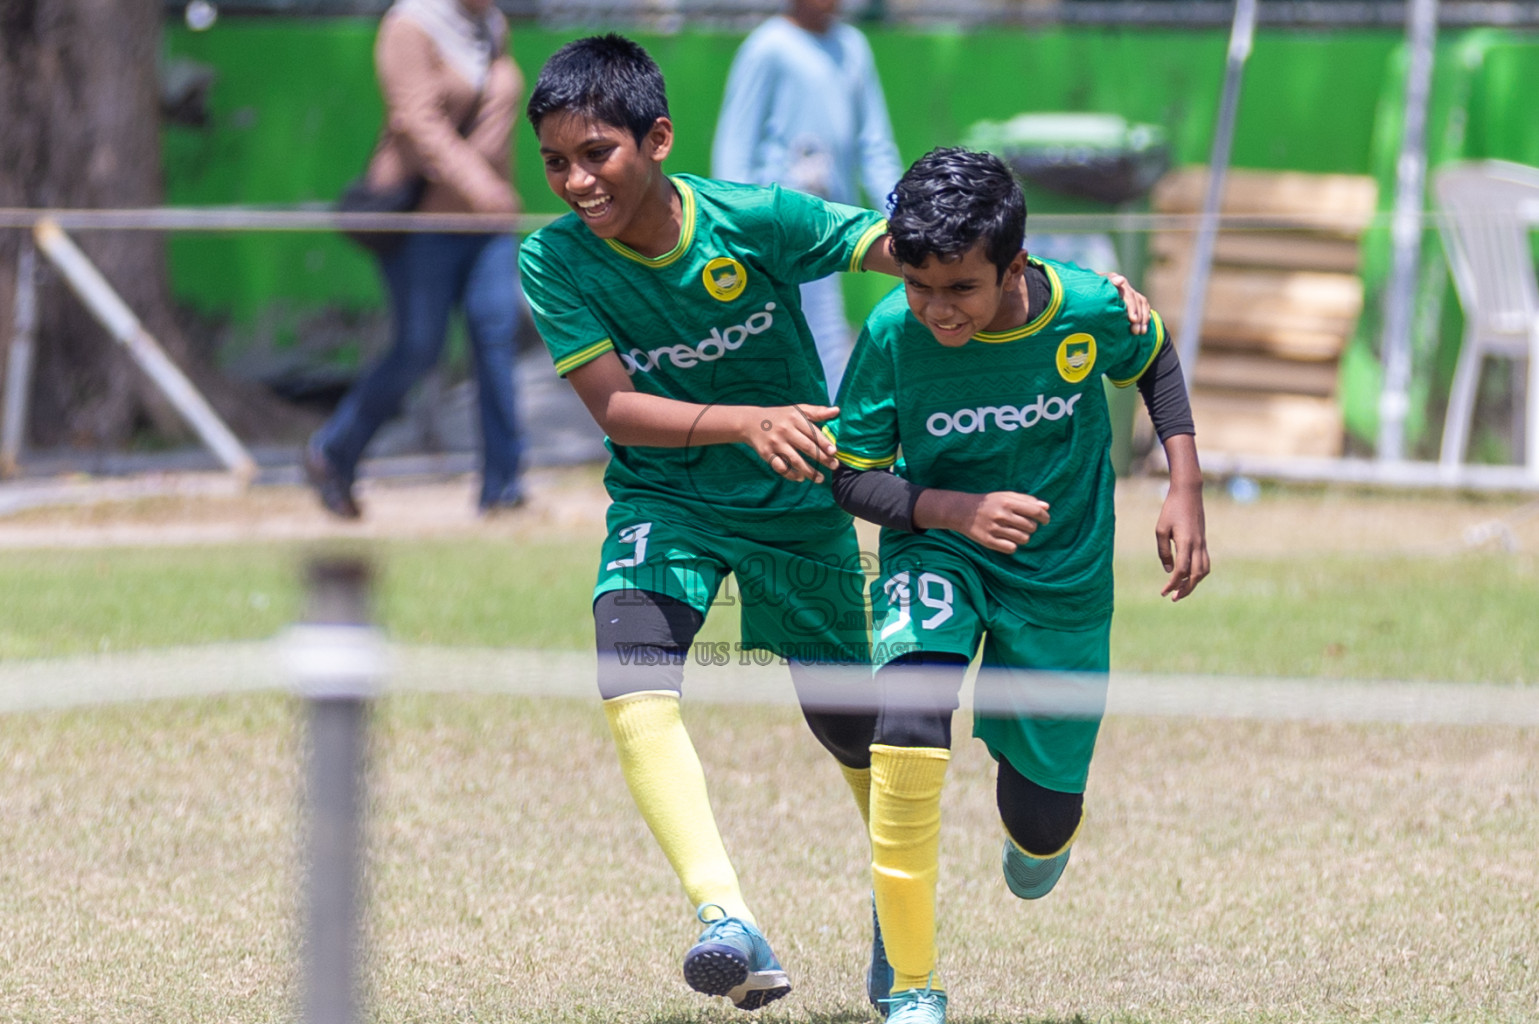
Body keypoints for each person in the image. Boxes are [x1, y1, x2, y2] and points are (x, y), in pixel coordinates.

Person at [519, 37, 1152, 1014]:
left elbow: (916, 246)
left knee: (860, 730)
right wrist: (746, 422)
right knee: (631, 671)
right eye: (556, 161)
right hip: (666, 502)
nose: (576, 180)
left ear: (658, 139)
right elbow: (614, 406)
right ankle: (723, 917)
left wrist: (1070, 292)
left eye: (595, 153)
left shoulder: (756, 219)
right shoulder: (552, 258)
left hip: (797, 502)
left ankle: (886, 923)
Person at [828, 148, 1210, 1023]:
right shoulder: (892, 334)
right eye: (918, 284)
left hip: (1060, 574)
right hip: (937, 550)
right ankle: (911, 980)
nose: (935, 308)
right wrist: (952, 511)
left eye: (959, 288)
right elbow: (851, 478)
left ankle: (1033, 820)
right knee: (909, 720)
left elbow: (1151, 358)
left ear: (1015, 266)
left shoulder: (1085, 308)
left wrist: (1182, 484)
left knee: (1039, 825)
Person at [305, 0, 526, 519]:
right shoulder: (409, 26)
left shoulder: (492, 24)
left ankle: (504, 487)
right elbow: (417, 121)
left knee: (496, 340)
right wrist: (482, 187)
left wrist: (494, 197)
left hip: (487, 225)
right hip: (423, 222)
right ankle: (333, 452)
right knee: (419, 348)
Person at [711, 0, 902, 398]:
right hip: (774, 229)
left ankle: (828, 443)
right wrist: (733, 227)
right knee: (797, 337)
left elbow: (875, 143)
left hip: (830, 227)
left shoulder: (852, 46)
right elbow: (736, 142)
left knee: (826, 337)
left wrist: (904, 216)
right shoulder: (768, 46)